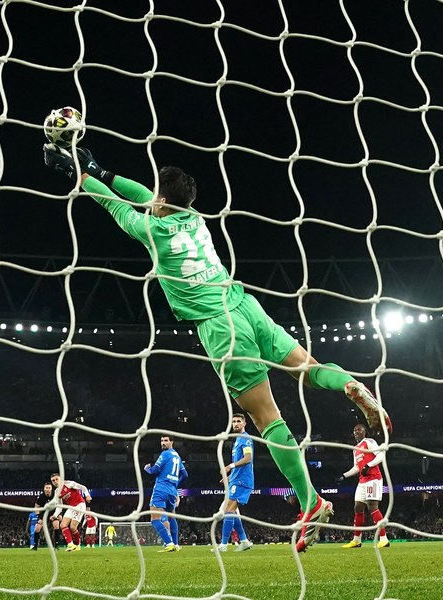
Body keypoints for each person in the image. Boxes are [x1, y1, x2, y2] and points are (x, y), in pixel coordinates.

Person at [42, 147, 394, 551]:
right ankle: (349, 383)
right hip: (247, 306)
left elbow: (115, 204)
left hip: (221, 327)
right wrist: (100, 167)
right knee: (310, 369)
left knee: (267, 417)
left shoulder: (152, 230)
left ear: (161, 200)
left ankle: (310, 501)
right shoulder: (194, 218)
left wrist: (79, 173)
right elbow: (143, 194)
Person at [338, 424, 389, 548]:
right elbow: (356, 467)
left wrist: (368, 465)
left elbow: (380, 455)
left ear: (364, 432)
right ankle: (356, 540)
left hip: (373, 478)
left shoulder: (369, 442)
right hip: (362, 481)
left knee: (372, 506)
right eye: (355, 431)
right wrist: (344, 475)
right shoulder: (355, 449)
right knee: (358, 507)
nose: (357, 432)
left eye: (359, 430)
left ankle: (384, 539)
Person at [212, 414, 254, 553]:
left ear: (244, 424)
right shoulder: (237, 440)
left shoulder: (245, 439)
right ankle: (244, 541)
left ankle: (223, 545)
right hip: (236, 479)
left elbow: (248, 459)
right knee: (232, 511)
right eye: (234, 422)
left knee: (228, 511)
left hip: (242, 481)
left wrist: (230, 466)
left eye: (238, 421)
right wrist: (231, 476)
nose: (235, 424)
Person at [144, 435, 188, 552]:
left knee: (155, 519)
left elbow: (154, 470)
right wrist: (175, 484)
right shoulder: (177, 456)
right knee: (171, 517)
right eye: (162, 441)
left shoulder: (165, 454)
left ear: (172, 442)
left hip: (161, 489)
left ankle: (169, 543)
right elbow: (185, 475)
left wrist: (147, 468)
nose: (163, 443)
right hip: (172, 491)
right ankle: (176, 544)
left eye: (166, 441)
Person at [50, 473, 92, 552]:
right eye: (53, 480)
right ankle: (71, 544)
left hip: (79, 505)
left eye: (56, 479)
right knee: (62, 525)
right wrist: (55, 515)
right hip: (71, 507)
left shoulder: (68, 484)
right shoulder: (56, 492)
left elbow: (83, 487)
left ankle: (77, 545)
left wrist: (87, 495)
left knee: (72, 527)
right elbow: (59, 506)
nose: (55, 481)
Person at [32, 482, 54, 550]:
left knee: (56, 525)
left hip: (53, 513)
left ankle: (56, 545)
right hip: (43, 514)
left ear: (51, 489)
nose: (48, 489)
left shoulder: (55, 495)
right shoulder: (40, 497)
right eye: (46, 488)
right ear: (44, 489)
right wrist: (38, 517)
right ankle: (35, 546)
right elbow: (36, 507)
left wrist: (59, 514)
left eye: (49, 488)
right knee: (37, 528)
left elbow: (60, 504)